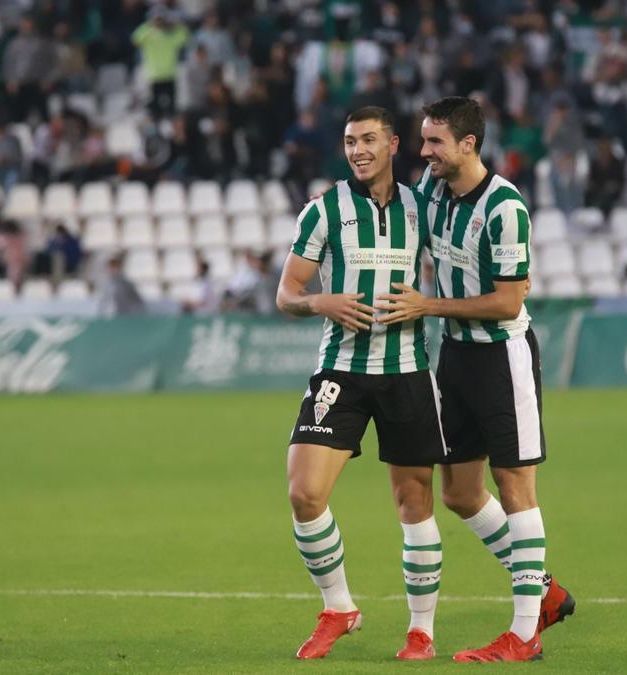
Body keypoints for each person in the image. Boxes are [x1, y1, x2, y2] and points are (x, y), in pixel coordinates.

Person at [376, 96, 574, 663]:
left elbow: (509, 302)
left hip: (502, 357)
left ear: (468, 144)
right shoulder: (434, 191)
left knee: (515, 486)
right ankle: (544, 591)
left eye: (435, 141)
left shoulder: (505, 207)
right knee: (460, 493)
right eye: (423, 140)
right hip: (456, 358)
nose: (424, 152)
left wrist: (428, 305)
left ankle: (524, 633)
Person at [276, 106, 445, 661]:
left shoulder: (423, 207)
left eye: (369, 139)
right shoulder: (323, 209)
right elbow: (287, 294)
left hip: (406, 371)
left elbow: (456, 266)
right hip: (340, 371)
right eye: (350, 141)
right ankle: (338, 607)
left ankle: (421, 631)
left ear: (394, 145)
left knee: (414, 502)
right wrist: (319, 302)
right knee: (304, 493)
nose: (358, 150)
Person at [131, 7, 188, 119]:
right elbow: (135, 38)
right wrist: (148, 25)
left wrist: (175, 24)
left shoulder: (171, 35)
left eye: (161, 19)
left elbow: (185, 37)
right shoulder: (148, 35)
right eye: (157, 19)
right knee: (155, 109)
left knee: (172, 109)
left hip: (169, 75)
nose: (159, 22)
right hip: (154, 76)